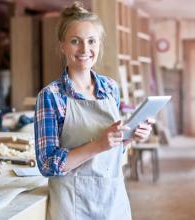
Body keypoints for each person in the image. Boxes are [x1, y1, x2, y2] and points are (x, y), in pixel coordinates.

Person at [34, 2, 153, 220]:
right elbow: (47, 164)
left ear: (99, 44)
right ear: (62, 46)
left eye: (91, 41)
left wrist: (128, 138)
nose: (84, 49)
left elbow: (111, 153)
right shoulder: (51, 96)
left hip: (113, 202)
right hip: (73, 207)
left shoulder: (110, 88)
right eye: (75, 41)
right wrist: (98, 144)